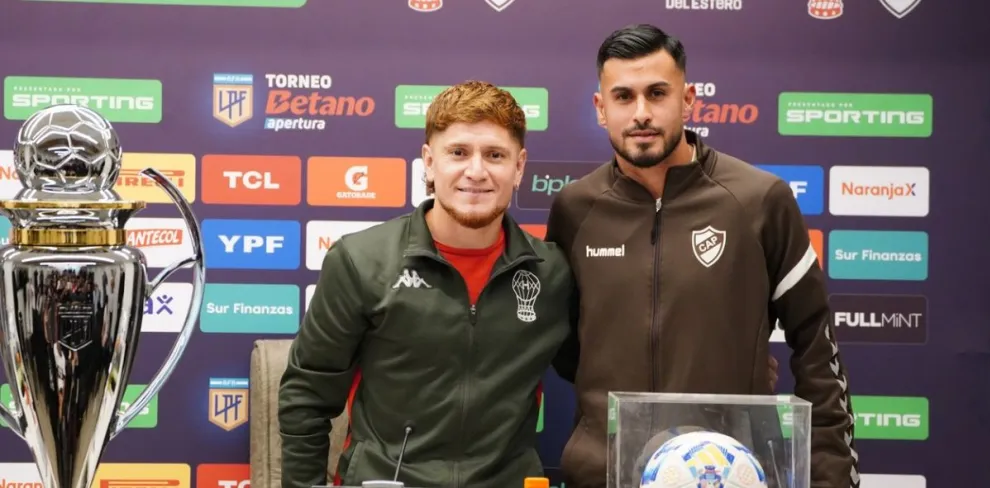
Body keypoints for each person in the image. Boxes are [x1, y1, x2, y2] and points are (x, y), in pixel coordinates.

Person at [546, 24, 860, 488]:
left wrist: (832, 478)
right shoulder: (575, 209)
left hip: (731, 474)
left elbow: (816, 347)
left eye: (657, 93)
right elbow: (569, 348)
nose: (641, 113)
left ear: (688, 99)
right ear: (600, 109)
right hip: (604, 474)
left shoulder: (758, 200)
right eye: (623, 97)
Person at [277, 80, 577, 488]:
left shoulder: (554, 272)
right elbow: (307, 398)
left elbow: (596, 374)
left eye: (494, 155)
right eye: (458, 153)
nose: (476, 171)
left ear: (519, 167)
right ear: (429, 162)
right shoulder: (360, 261)